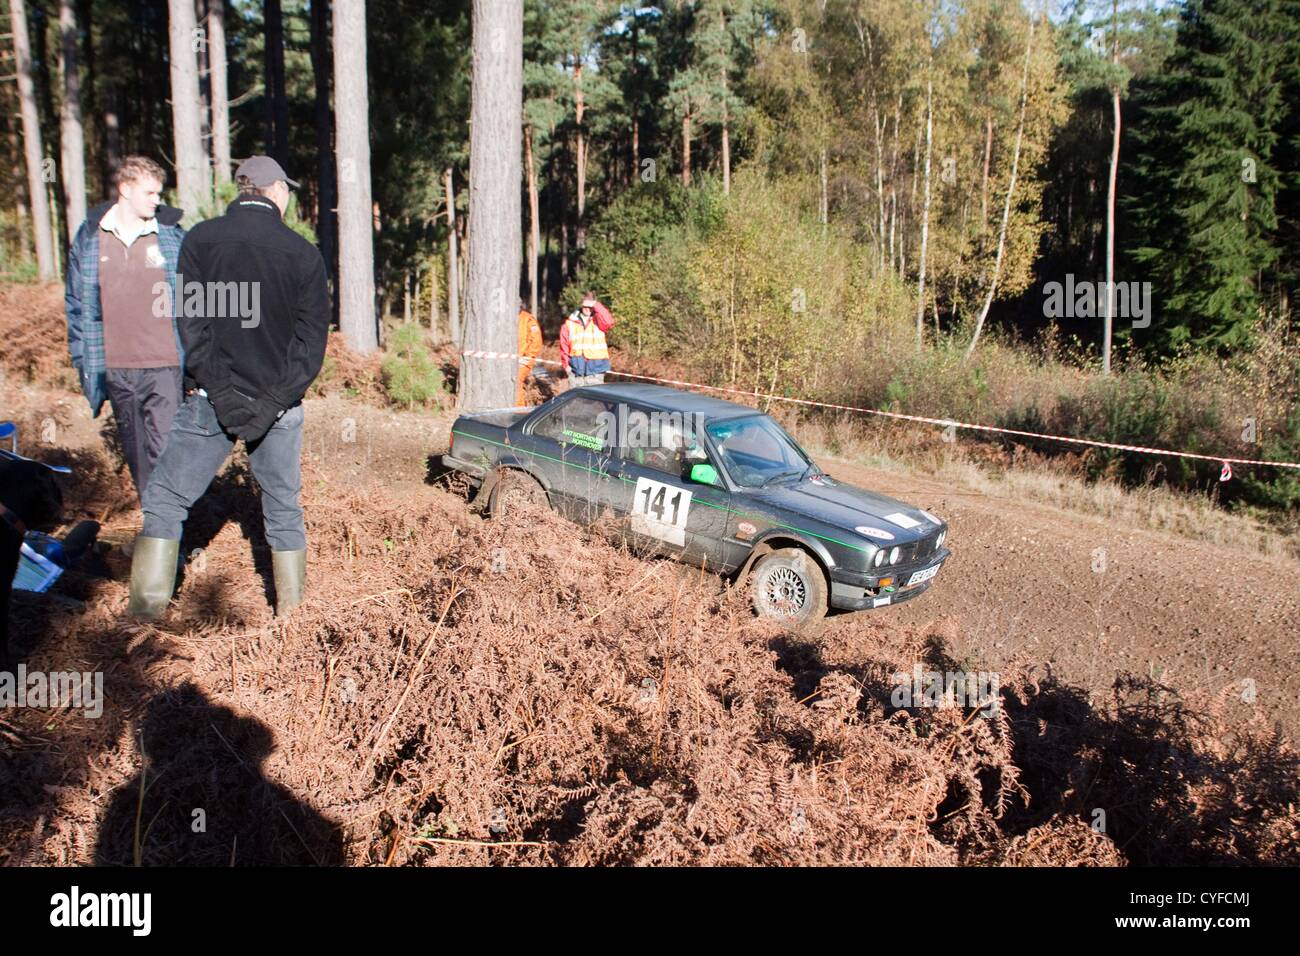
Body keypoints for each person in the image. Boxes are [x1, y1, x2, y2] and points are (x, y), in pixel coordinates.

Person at [127, 156, 330, 620]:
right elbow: (309, 347)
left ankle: (142, 621)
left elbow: (192, 328)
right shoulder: (303, 255)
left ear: (242, 191)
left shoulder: (200, 239)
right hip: (278, 410)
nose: (289, 197)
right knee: (282, 509)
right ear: (273, 190)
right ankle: (291, 622)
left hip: (209, 403)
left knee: (166, 500)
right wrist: (269, 404)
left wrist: (222, 395)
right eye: (288, 190)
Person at [65, 156, 187, 500]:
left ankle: (170, 545)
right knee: (138, 459)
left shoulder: (171, 237)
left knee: (165, 455)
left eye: (159, 193)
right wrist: (82, 361)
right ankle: (156, 536)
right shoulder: (91, 238)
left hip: (165, 366)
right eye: (149, 192)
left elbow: (195, 301)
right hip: (117, 370)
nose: (157, 200)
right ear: (125, 189)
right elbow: (77, 305)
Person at [559, 292, 615, 387]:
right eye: (585, 305)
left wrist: (595, 304)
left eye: (590, 306)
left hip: (596, 370)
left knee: (594, 400)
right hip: (575, 369)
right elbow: (564, 345)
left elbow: (609, 322)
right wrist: (566, 366)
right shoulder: (570, 323)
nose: (588, 309)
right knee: (575, 401)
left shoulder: (599, 320)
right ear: (581, 305)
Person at [516, 300, 543, 406]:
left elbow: (536, 342)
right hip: (510, 358)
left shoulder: (528, 319)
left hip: (523, 359)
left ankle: (518, 412)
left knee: (516, 382)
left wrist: (527, 358)